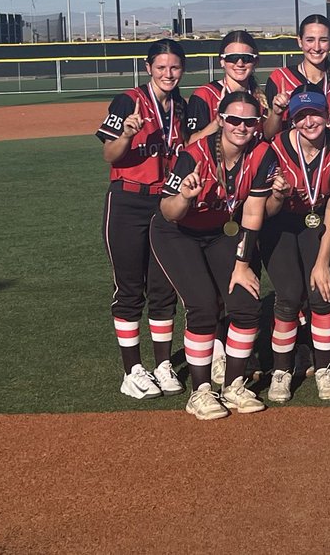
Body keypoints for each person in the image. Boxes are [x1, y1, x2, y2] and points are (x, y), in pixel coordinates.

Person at [152, 91, 269, 419]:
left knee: (245, 304)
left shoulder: (261, 153)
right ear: (220, 120)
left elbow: (253, 213)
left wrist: (242, 266)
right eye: (234, 120)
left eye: (249, 121)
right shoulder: (194, 154)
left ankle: (233, 385)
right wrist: (186, 197)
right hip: (177, 232)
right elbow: (168, 209)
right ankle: (200, 392)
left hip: (221, 232)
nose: (241, 127)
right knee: (203, 306)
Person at [251, 90, 330, 402]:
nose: (308, 121)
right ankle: (282, 370)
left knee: (321, 293)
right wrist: (278, 195)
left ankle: (324, 368)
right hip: (281, 224)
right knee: (288, 297)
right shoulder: (275, 148)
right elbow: (265, 210)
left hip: (319, 221)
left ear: (328, 117)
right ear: (292, 120)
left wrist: (323, 261)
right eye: (300, 116)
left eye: (314, 114)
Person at [94, 38, 186, 400]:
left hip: (164, 204)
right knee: (130, 288)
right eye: (161, 67)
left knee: (164, 288)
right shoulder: (128, 100)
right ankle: (132, 370)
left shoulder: (181, 107)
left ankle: (162, 365)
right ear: (149, 68)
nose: (168, 73)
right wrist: (127, 135)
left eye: (174, 67)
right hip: (128, 200)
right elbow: (108, 154)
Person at [264, 14, 330, 139]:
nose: (316, 47)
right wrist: (277, 114)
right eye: (310, 40)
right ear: (300, 41)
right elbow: (268, 136)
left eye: (323, 40)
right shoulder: (279, 79)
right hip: (291, 157)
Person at [185, 30, 266, 146]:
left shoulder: (261, 98)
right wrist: (219, 120)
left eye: (247, 58)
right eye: (232, 58)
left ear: (256, 61)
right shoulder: (204, 96)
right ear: (222, 61)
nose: (240, 63)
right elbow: (191, 144)